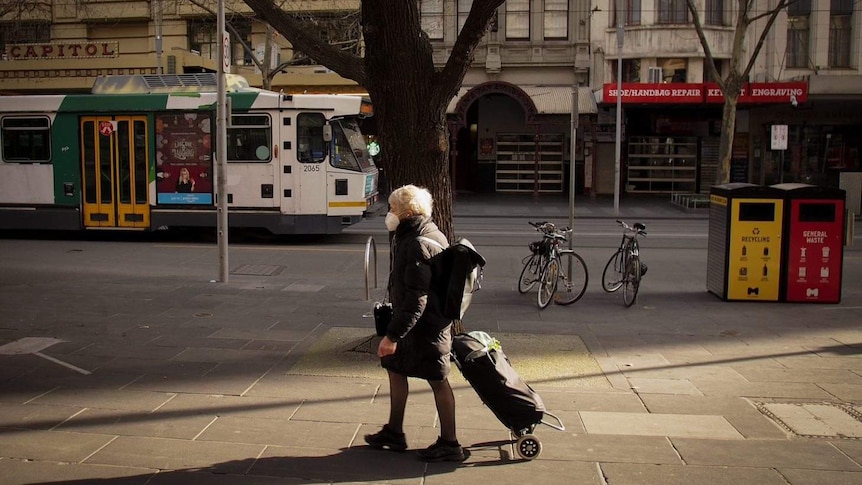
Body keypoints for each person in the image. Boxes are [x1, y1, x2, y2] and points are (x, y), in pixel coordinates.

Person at [364, 184, 465, 462]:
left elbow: (416, 299)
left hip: (427, 327)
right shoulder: (423, 232)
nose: (389, 213)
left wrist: (392, 336)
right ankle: (394, 432)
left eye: (393, 208)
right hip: (422, 324)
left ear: (406, 212)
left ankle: (450, 443)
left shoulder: (417, 242)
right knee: (395, 368)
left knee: (438, 379)